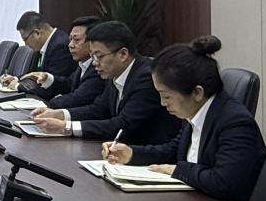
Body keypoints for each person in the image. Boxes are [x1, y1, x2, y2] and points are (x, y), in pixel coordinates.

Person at [102, 36, 266, 201]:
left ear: (197, 93)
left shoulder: (236, 123)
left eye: (166, 96)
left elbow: (223, 182)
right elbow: (175, 150)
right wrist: (132, 154)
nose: (162, 103)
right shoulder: (195, 110)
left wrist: (178, 170)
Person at [29, 20, 180, 144]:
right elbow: (99, 109)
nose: (95, 63)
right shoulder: (115, 73)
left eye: (99, 56)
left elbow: (123, 124)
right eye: (92, 56)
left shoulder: (145, 77)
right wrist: (59, 114)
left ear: (123, 54)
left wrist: (66, 127)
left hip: (148, 155)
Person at [0, 11, 76, 99]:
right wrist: (16, 79)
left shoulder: (60, 46)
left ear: (37, 33)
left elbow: (52, 88)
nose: (25, 44)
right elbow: (34, 74)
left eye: (25, 39)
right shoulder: (44, 44)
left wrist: (18, 86)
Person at [42, 16, 104, 110]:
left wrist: (46, 105)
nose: (70, 45)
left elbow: (78, 98)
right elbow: (68, 83)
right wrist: (47, 78)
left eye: (77, 40)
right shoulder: (83, 64)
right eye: (70, 39)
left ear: (92, 42)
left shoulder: (98, 68)